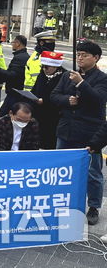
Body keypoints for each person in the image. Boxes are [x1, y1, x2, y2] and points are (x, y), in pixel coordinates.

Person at [51, 40, 107, 225]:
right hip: (66, 130)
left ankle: (93, 206)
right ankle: (62, 202)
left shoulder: (102, 78)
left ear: (96, 58)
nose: (80, 58)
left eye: (84, 55)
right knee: (62, 168)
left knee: (93, 172)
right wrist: (67, 100)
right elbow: (54, 96)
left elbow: (98, 99)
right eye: (78, 54)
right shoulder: (68, 75)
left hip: (90, 133)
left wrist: (81, 83)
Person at [31, 51, 65, 149]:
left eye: (47, 67)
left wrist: (44, 101)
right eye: (42, 66)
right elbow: (35, 89)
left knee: (49, 142)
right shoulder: (42, 75)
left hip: (53, 116)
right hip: (38, 113)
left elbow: (61, 97)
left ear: (55, 67)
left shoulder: (64, 77)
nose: (44, 69)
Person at [0, 35, 29, 116]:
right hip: (18, 92)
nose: (12, 44)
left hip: (15, 92)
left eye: (13, 42)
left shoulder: (19, 58)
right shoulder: (24, 56)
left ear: (18, 44)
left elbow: (13, 75)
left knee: (3, 113)